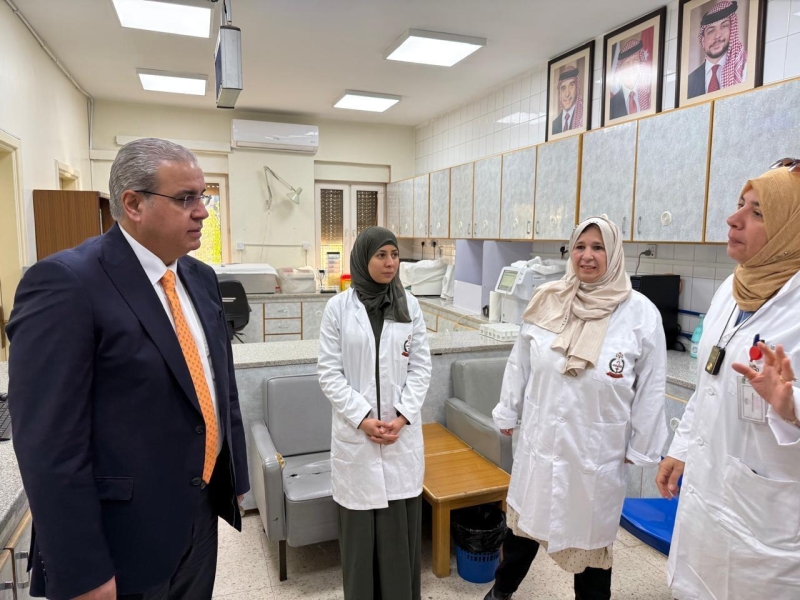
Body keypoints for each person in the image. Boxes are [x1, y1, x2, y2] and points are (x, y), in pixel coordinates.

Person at [6, 138, 250, 599]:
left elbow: (220, 384)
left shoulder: (199, 278)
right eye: (186, 198)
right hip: (121, 539)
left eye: (203, 196)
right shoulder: (67, 284)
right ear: (133, 204)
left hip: (198, 515)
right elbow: (48, 444)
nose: (203, 212)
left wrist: (233, 475)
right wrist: (83, 571)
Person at [485, 217, 667, 600]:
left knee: (592, 551)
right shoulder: (548, 298)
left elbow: (651, 387)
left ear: (614, 254)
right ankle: (500, 593)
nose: (587, 256)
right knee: (522, 532)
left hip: (595, 452)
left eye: (598, 247)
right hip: (541, 441)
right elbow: (520, 363)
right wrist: (507, 409)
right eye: (580, 246)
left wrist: (642, 445)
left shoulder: (641, 314)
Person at [657, 160, 800, 599]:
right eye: (740, 204)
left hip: (766, 512)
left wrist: (790, 405)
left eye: (758, 212)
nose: (733, 218)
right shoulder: (734, 289)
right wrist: (681, 448)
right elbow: (710, 382)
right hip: (709, 493)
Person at [318, 227, 431, 600]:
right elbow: (329, 373)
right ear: (363, 259)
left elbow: (421, 368)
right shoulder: (338, 309)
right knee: (359, 545)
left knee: (399, 542)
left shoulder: (409, 306)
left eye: (394, 255)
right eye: (381, 255)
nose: (390, 263)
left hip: (399, 438)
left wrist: (402, 416)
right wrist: (363, 418)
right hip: (357, 441)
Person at [687, 0, 748, 99]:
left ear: (732, 30)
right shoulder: (689, 81)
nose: (717, 36)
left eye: (723, 26)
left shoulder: (745, 66)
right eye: (711, 31)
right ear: (703, 41)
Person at [609, 38, 652, 120]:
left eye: (635, 60)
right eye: (627, 64)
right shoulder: (612, 105)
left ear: (641, 63)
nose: (631, 67)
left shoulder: (650, 95)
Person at [551, 64, 584, 135]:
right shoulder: (554, 124)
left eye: (571, 85)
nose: (567, 94)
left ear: (577, 88)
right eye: (563, 88)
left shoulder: (583, 117)